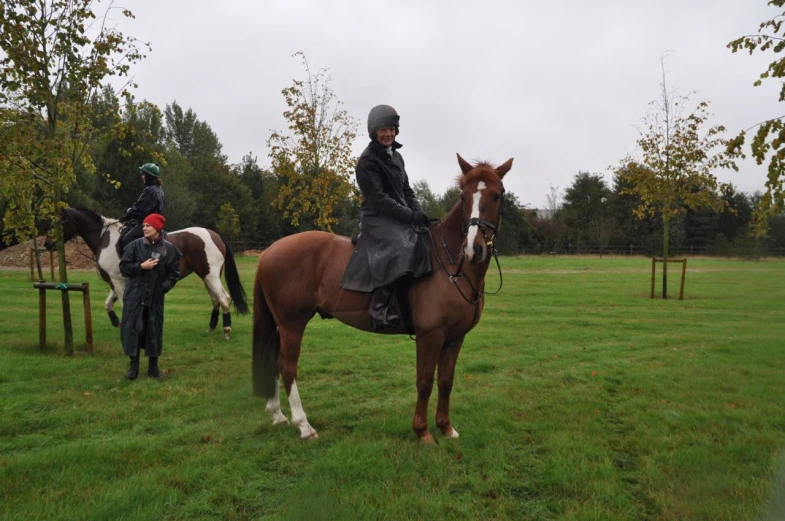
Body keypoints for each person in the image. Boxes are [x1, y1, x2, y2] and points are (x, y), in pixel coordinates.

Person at [340, 104, 432, 330]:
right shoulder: (367, 161)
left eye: (392, 129)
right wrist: (409, 215)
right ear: (374, 131)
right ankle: (380, 307)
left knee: (426, 238)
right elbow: (378, 200)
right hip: (377, 218)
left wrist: (418, 211)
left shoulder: (397, 156)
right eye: (383, 129)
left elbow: (407, 190)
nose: (388, 133)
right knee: (402, 246)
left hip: (397, 216)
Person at [119, 213, 181, 379]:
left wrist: (162, 288)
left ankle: (153, 368)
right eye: (144, 225)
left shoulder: (169, 249)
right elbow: (124, 268)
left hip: (155, 298)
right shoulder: (134, 246)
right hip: (134, 296)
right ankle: (133, 367)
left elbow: (174, 273)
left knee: (153, 330)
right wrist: (141, 266)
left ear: (157, 228)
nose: (144, 228)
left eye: (148, 226)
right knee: (134, 330)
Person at [120, 163, 164, 251]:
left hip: (148, 224)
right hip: (156, 223)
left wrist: (129, 212)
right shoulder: (159, 189)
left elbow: (141, 210)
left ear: (148, 176)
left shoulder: (149, 190)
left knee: (126, 240)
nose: (142, 177)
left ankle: (131, 264)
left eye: (143, 174)